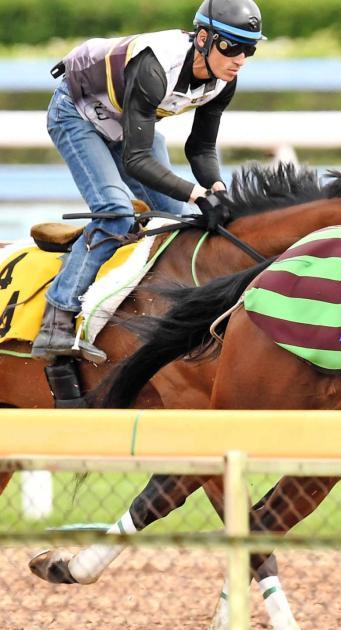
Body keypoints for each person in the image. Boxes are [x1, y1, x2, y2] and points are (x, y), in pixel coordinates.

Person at [32, 0, 264, 363]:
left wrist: (217, 189)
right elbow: (136, 160)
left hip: (127, 120)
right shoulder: (156, 67)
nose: (240, 60)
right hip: (77, 113)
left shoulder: (223, 81)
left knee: (179, 220)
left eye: (249, 50)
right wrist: (196, 193)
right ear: (203, 38)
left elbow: (201, 148)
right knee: (115, 213)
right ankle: (55, 321)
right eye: (231, 46)